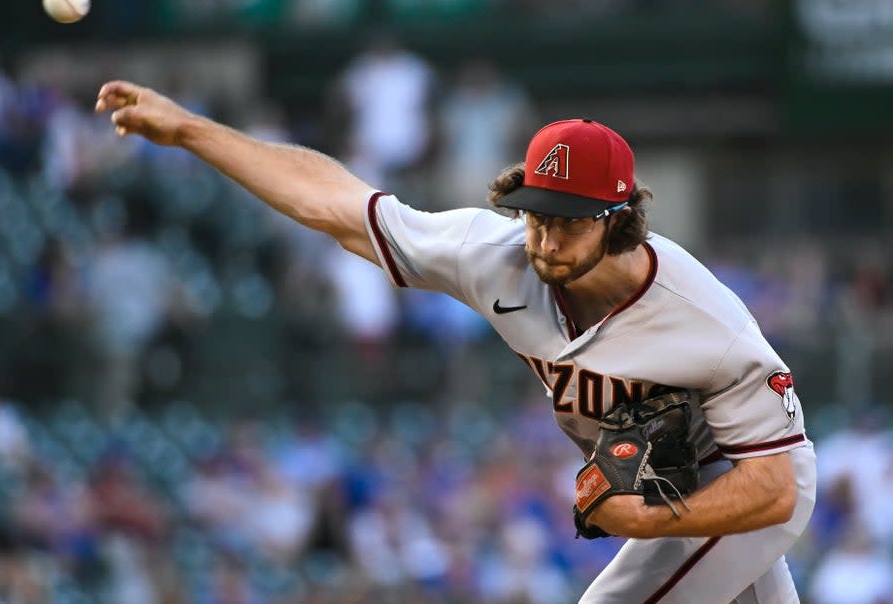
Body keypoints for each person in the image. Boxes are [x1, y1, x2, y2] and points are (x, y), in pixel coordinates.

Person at [94, 80, 816, 603]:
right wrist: (191, 129)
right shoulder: (493, 253)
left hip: (740, 481)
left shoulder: (704, 320)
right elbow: (334, 205)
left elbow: (776, 487)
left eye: (569, 220)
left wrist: (650, 516)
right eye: (536, 211)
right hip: (677, 480)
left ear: (617, 219)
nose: (545, 236)